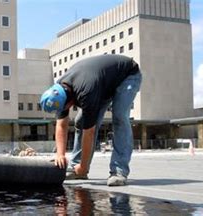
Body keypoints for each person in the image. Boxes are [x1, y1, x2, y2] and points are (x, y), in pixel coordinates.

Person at [40, 55, 142, 186]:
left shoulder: (85, 93)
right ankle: (77, 168)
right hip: (103, 84)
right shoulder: (59, 90)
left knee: (119, 117)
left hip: (127, 75)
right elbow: (61, 125)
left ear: (69, 101)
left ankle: (119, 171)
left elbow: (90, 133)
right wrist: (60, 155)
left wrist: (83, 166)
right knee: (80, 121)